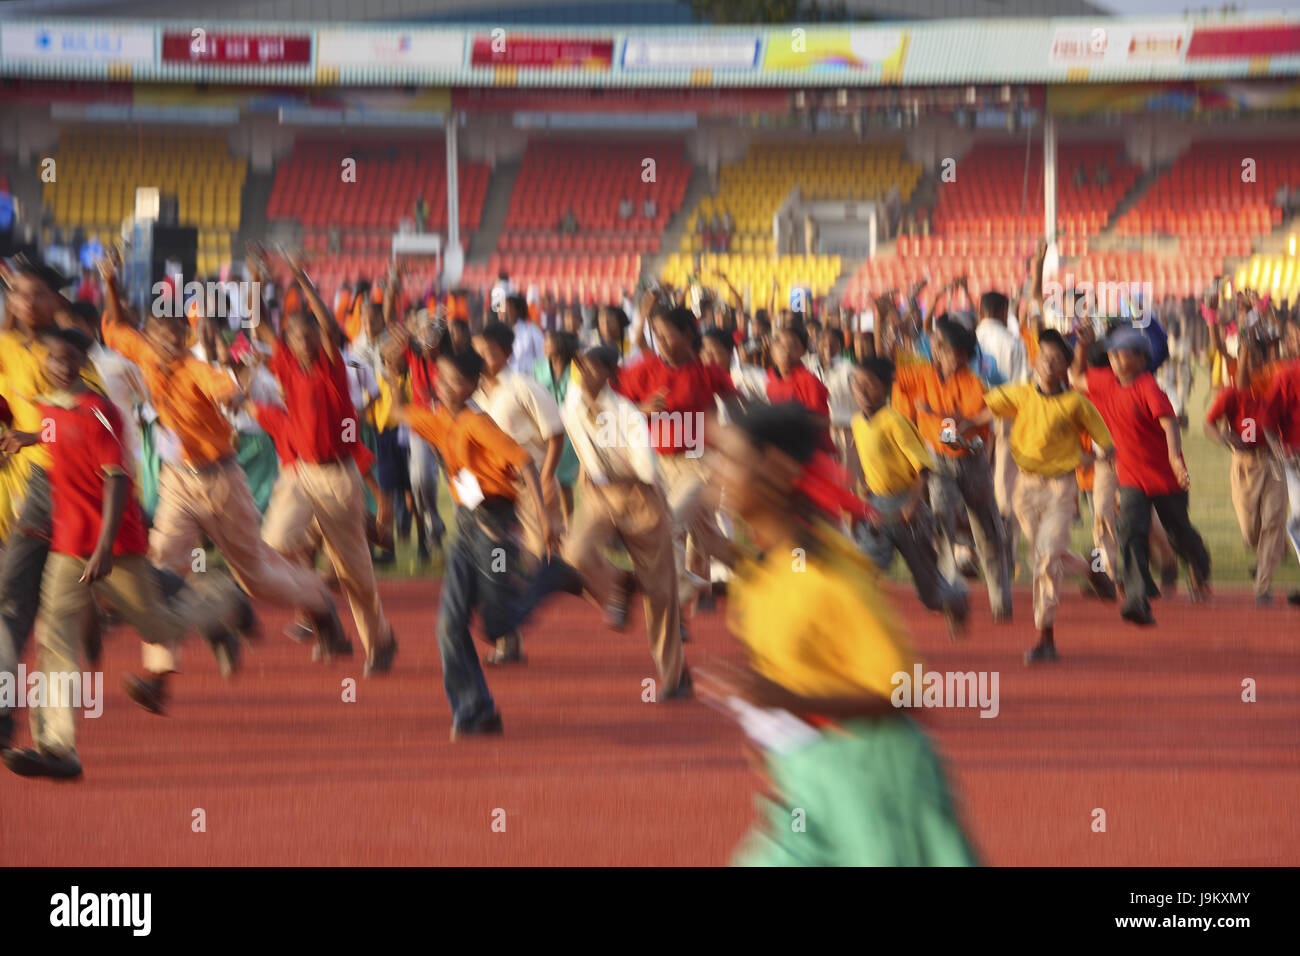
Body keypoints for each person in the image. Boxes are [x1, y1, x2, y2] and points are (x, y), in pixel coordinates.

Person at [696, 402, 979, 867]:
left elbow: (904, 693)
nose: (716, 471)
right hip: (808, 785)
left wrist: (785, 699)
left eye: (729, 458)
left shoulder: (831, 574)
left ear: (777, 469)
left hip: (877, 784)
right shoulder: (761, 572)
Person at [99, 258, 350, 703]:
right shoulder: (143, 352)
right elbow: (115, 329)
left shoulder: (197, 370)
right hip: (180, 480)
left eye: (175, 340)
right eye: (158, 338)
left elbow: (222, 386)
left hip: (222, 481)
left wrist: (236, 395)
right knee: (161, 564)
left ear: (186, 341)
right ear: (150, 338)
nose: (164, 347)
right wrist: (111, 283)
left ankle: (319, 601)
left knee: (255, 575)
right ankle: (158, 677)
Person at [387, 347, 580, 739]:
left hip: (493, 534)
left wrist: (544, 522)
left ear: (473, 385)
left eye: (453, 381)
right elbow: (396, 413)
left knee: (498, 624)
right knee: (449, 625)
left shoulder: (477, 423)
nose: (442, 385)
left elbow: (524, 461)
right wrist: (394, 373)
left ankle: (550, 578)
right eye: (439, 378)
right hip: (466, 532)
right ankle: (476, 711)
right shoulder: (443, 420)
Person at [254, 254, 398, 675]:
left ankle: (380, 641)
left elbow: (330, 326)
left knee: (355, 571)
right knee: (276, 545)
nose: (303, 343)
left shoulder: (332, 368)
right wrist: (255, 279)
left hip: (338, 477)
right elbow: (259, 323)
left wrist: (300, 278)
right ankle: (323, 617)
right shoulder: (284, 365)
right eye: (295, 338)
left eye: (309, 337)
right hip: (301, 476)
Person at [973, 330, 1114, 663]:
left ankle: (1045, 637)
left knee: (1047, 558)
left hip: (1060, 489)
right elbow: (988, 409)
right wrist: (962, 425)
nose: (1048, 364)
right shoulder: (1020, 394)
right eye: (1044, 357)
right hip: (1025, 489)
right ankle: (1092, 571)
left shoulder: (1075, 403)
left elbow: (1106, 444)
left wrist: (1092, 459)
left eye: (1056, 360)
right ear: (1035, 360)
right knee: (1046, 556)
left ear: (1066, 368)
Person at [561, 345, 691, 699]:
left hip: (640, 496)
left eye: (592, 368)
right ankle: (620, 584)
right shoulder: (571, 403)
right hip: (599, 496)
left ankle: (676, 677)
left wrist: (661, 508)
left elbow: (647, 468)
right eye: (580, 366)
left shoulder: (626, 413)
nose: (583, 373)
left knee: (660, 594)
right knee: (574, 553)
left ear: (609, 375)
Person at [1071, 324, 1210, 627]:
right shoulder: (1104, 381)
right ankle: (1137, 601)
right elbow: (1074, 377)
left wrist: (1175, 458)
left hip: (1165, 477)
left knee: (1179, 532)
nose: (1115, 358)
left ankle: (1198, 560)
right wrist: (1082, 347)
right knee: (1132, 534)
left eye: (1122, 353)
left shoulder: (1148, 385)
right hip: (1131, 476)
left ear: (1140, 357)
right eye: (1112, 353)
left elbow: (1169, 421)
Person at [615, 304, 740, 617]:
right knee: (711, 540)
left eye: (666, 335)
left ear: (687, 334)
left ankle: (684, 590)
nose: (660, 342)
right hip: (657, 465)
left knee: (667, 526)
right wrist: (641, 410)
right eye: (655, 335)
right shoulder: (642, 370)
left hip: (698, 464)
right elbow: (613, 412)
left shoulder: (708, 373)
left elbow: (740, 410)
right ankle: (756, 575)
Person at [894, 317, 1013, 622]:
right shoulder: (923, 374)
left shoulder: (974, 383)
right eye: (935, 343)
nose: (935, 348)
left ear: (960, 354)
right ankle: (952, 597)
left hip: (971, 460)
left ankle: (1001, 601)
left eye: (942, 345)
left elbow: (968, 419)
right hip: (938, 462)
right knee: (941, 525)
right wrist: (891, 325)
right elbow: (892, 371)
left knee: (987, 529)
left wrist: (932, 411)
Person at [850, 358, 967, 634]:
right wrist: (863, 491)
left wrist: (913, 504)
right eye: (857, 385)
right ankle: (864, 631)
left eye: (870, 385)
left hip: (907, 509)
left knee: (929, 593)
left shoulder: (894, 421)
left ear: (885, 388)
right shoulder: (857, 422)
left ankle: (955, 598)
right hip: (878, 507)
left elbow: (923, 468)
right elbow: (866, 459)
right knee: (864, 569)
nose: (863, 391)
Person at [1206, 330, 1286, 606]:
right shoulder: (1231, 393)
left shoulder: (1277, 386)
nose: (1250, 364)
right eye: (1245, 358)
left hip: (1274, 461)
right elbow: (1209, 425)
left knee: (1274, 520)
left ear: (1266, 360)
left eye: (1256, 358)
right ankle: (1275, 548)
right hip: (1244, 464)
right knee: (1251, 530)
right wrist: (1225, 439)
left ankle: (1263, 586)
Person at [534, 329, 580, 522]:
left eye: (548, 341)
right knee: (547, 478)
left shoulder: (576, 369)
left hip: (571, 431)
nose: (544, 345)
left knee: (565, 482)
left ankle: (569, 524)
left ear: (559, 346)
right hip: (548, 428)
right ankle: (551, 521)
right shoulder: (539, 367)